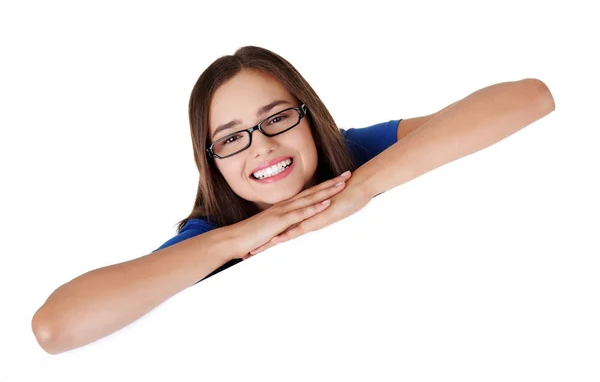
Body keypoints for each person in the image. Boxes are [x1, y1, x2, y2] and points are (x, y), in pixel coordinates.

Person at [31, 46, 556, 355]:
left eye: (277, 117)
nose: (262, 145)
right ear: (210, 160)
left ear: (309, 116)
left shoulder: (351, 153)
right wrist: (240, 237)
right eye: (231, 137)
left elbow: (530, 97)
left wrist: (362, 188)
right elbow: (55, 328)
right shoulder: (212, 234)